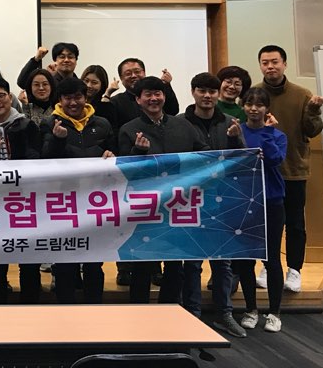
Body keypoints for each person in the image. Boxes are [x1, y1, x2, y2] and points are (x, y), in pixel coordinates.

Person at [118, 76, 208, 304]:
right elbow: (123, 171)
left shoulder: (183, 125)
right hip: (145, 207)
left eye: (157, 93)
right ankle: (138, 312)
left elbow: (205, 154)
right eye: (147, 94)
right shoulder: (129, 129)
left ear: (164, 97)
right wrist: (138, 152)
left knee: (174, 263)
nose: (153, 98)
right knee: (142, 264)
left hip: (177, 204)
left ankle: (170, 309)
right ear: (138, 100)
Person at [178, 72, 246, 337]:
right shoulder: (179, 123)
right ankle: (192, 314)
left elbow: (243, 161)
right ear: (193, 92)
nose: (207, 96)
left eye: (212, 91)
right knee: (192, 263)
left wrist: (235, 139)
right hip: (190, 201)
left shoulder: (230, 122)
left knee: (222, 262)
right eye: (202, 91)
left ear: (218, 94)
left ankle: (224, 314)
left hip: (223, 201)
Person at [254, 44, 323, 294]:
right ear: (260, 66)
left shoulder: (302, 94)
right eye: (265, 62)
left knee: (295, 224)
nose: (270, 67)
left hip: (294, 169)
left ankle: (295, 270)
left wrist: (314, 111)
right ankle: (268, 266)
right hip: (263, 172)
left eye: (274, 62)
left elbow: (312, 130)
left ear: (284, 64)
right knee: (265, 224)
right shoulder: (255, 94)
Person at [40, 77, 114, 304]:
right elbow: (44, 160)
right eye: (67, 98)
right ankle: (65, 313)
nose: (73, 103)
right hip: (63, 203)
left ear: (86, 97)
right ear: (60, 100)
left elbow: (114, 151)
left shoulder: (102, 123)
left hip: (96, 201)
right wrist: (57, 139)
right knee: (64, 262)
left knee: (94, 262)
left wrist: (112, 154)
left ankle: (94, 309)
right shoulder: (49, 123)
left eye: (78, 97)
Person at [0, 76, 41, 304]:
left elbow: (38, 158)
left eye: (1, 96)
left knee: (29, 260)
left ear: (10, 97)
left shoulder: (26, 125)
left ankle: (32, 308)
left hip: (24, 202)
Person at [234, 87, 288, 333]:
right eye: (249, 104)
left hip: (271, 201)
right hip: (244, 201)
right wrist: (233, 139)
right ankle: (251, 309)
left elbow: (274, 160)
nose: (254, 109)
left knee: (272, 258)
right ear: (243, 106)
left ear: (267, 108)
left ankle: (274, 312)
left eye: (259, 105)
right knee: (246, 259)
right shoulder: (236, 131)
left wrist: (267, 132)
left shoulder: (277, 135)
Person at [111, 57, 180, 124]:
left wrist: (166, 85)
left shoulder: (155, 97)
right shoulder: (116, 101)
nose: (133, 76)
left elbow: (173, 111)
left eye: (137, 71)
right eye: (128, 73)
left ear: (144, 73)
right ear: (121, 78)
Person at [80, 64, 120, 130]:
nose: (88, 85)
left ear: (102, 85)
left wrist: (107, 94)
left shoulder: (106, 108)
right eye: (86, 81)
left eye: (94, 82)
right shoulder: (74, 103)